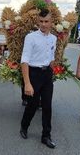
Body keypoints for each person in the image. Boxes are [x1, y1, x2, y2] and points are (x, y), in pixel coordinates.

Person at [19, 8, 57, 149]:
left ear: (51, 22)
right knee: (33, 105)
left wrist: (53, 72)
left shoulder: (54, 38)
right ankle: (24, 126)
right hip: (33, 74)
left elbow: (51, 57)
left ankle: (46, 136)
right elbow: (24, 61)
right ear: (37, 21)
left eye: (46, 21)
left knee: (47, 106)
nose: (44, 24)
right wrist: (27, 83)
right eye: (41, 21)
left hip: (47, 74)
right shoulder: (31, 38)